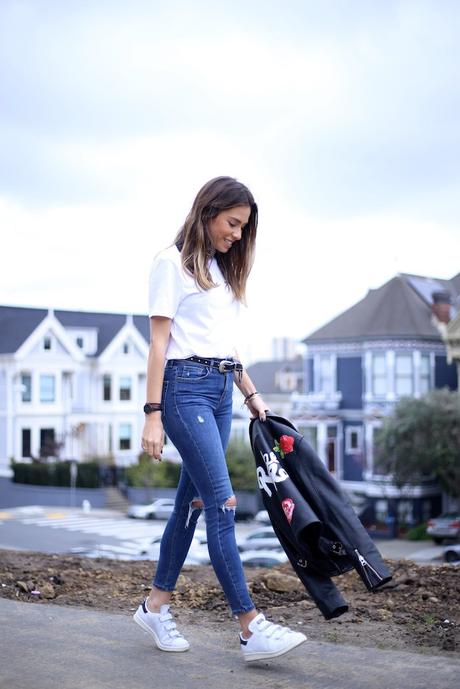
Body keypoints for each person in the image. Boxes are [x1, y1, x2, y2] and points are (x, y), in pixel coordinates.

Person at [133, 176, 306, 662]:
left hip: (220, 389)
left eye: (243, 228)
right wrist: (152, 414)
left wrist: (251, 393)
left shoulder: (219, 267)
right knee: (222, 501)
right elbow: (160, 344)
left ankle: (155, 605)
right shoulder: (170, 264)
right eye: (232, 223)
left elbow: (222, 341)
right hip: (183, 390)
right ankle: (251, 628)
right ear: (208, 211)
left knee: (188, 505)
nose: (236, 234)